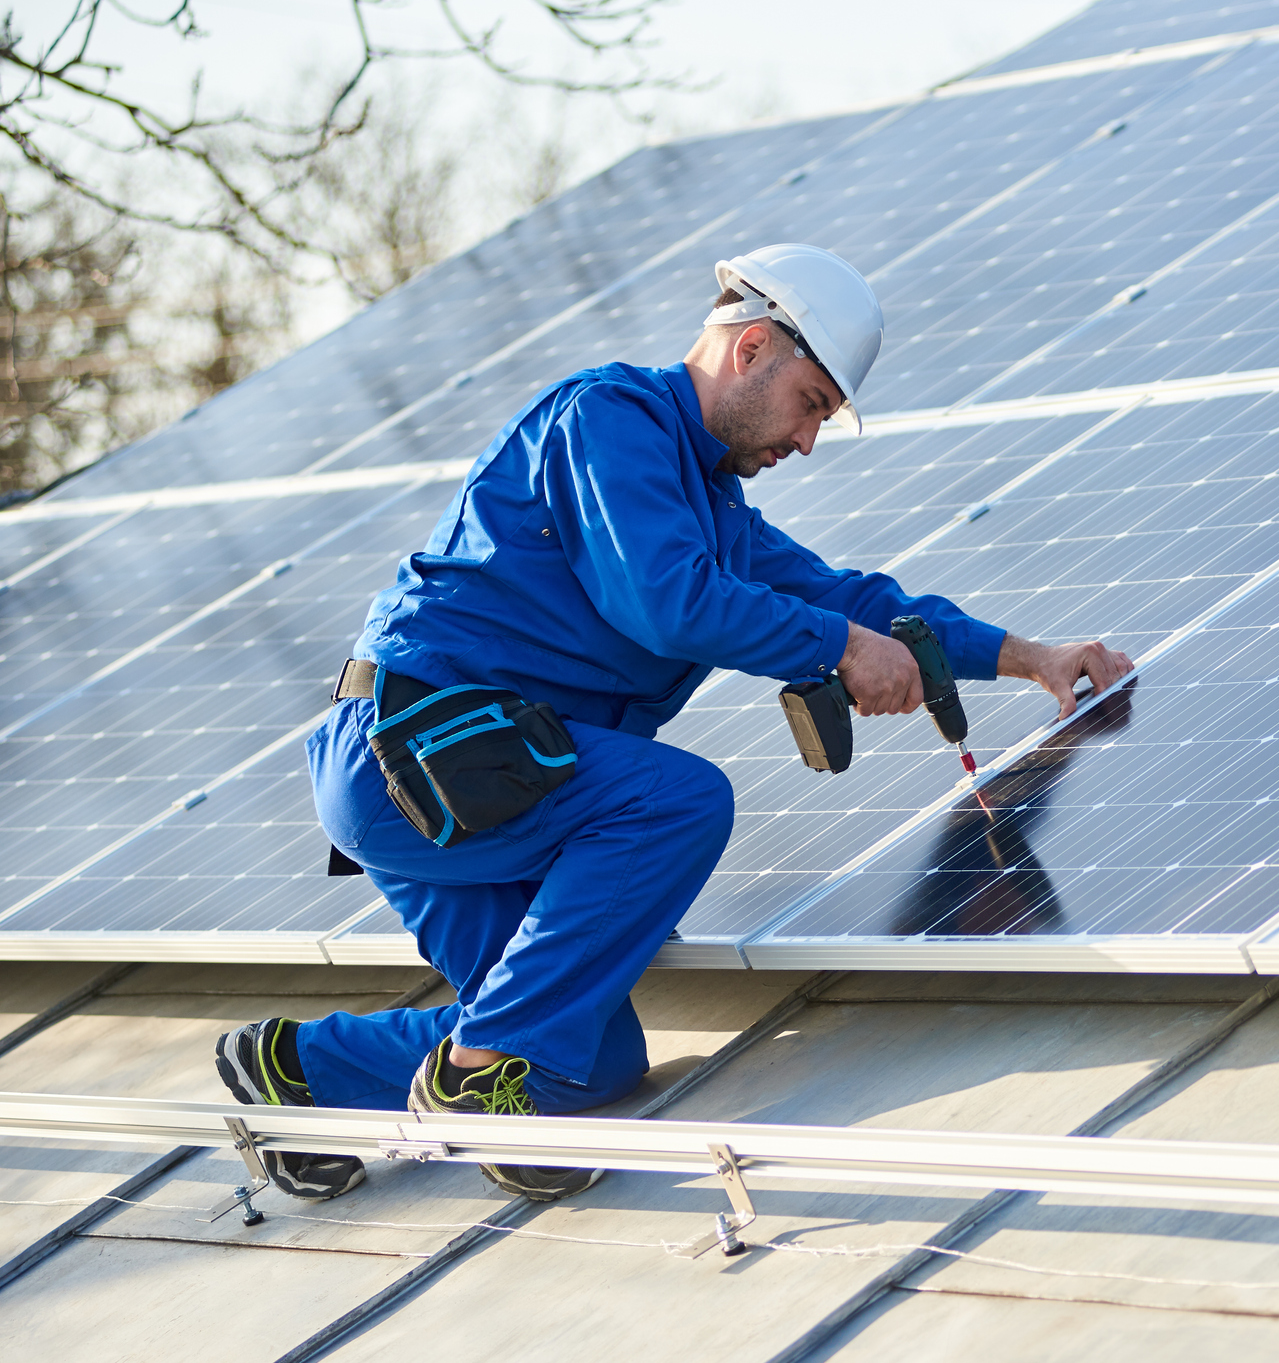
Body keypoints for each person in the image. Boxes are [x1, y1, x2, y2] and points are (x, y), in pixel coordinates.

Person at [212, 244, 1133, 1203]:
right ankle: (471, 1084)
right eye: (813, 402)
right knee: (680, 802)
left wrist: (1028, 657)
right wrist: (838, 648)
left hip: (489, 787)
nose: (809, 441)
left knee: (584, 1056)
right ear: (753, 350)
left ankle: (296, 1068)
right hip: (419, 756)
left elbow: (851, 598)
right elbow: (666, 602)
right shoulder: (609, 420)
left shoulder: (715, 511)